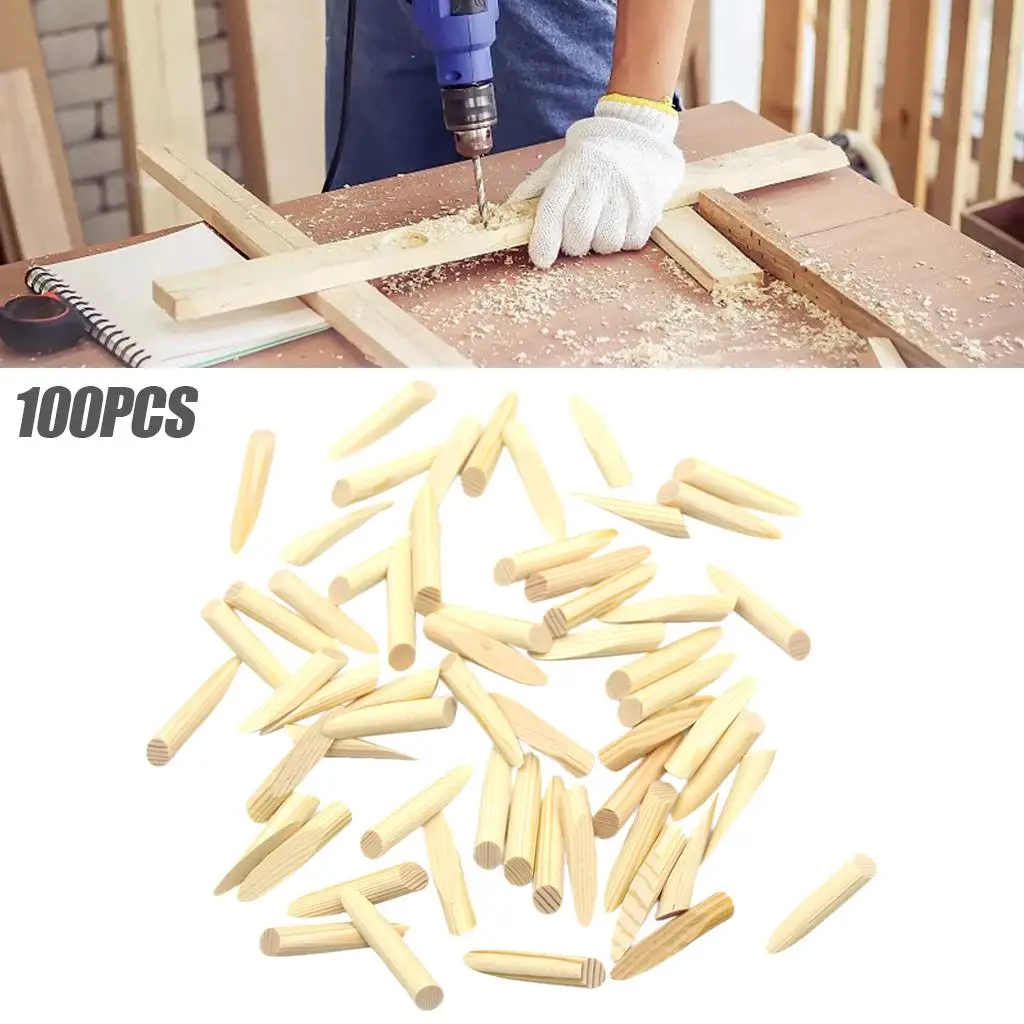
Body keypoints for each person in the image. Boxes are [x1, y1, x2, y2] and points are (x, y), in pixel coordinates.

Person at [325, 0, 695, 269]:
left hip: (549, 14)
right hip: (373, 11)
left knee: (582, 234)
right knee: (371, 235)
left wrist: (634, 113)